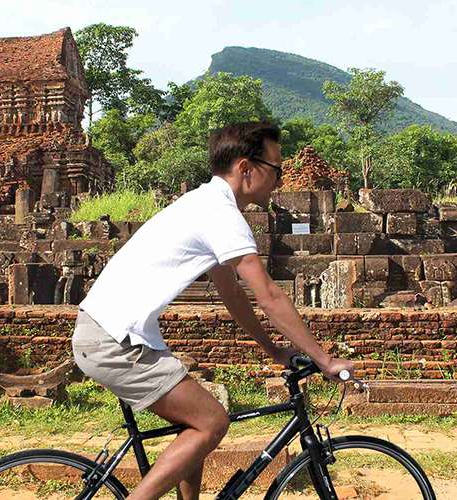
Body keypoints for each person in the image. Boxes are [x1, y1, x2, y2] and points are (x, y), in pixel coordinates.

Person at [72, 121, 354, 500]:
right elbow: (269, 294)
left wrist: (273, 350)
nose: (279, 180)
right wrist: (324, 359)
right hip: (115, 339)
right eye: (276, 170)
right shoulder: (220, 214)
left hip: (111, 332)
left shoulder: (208, 206)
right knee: (211, 421)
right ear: (245, 168)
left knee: (196, 424)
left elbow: (233, 295)